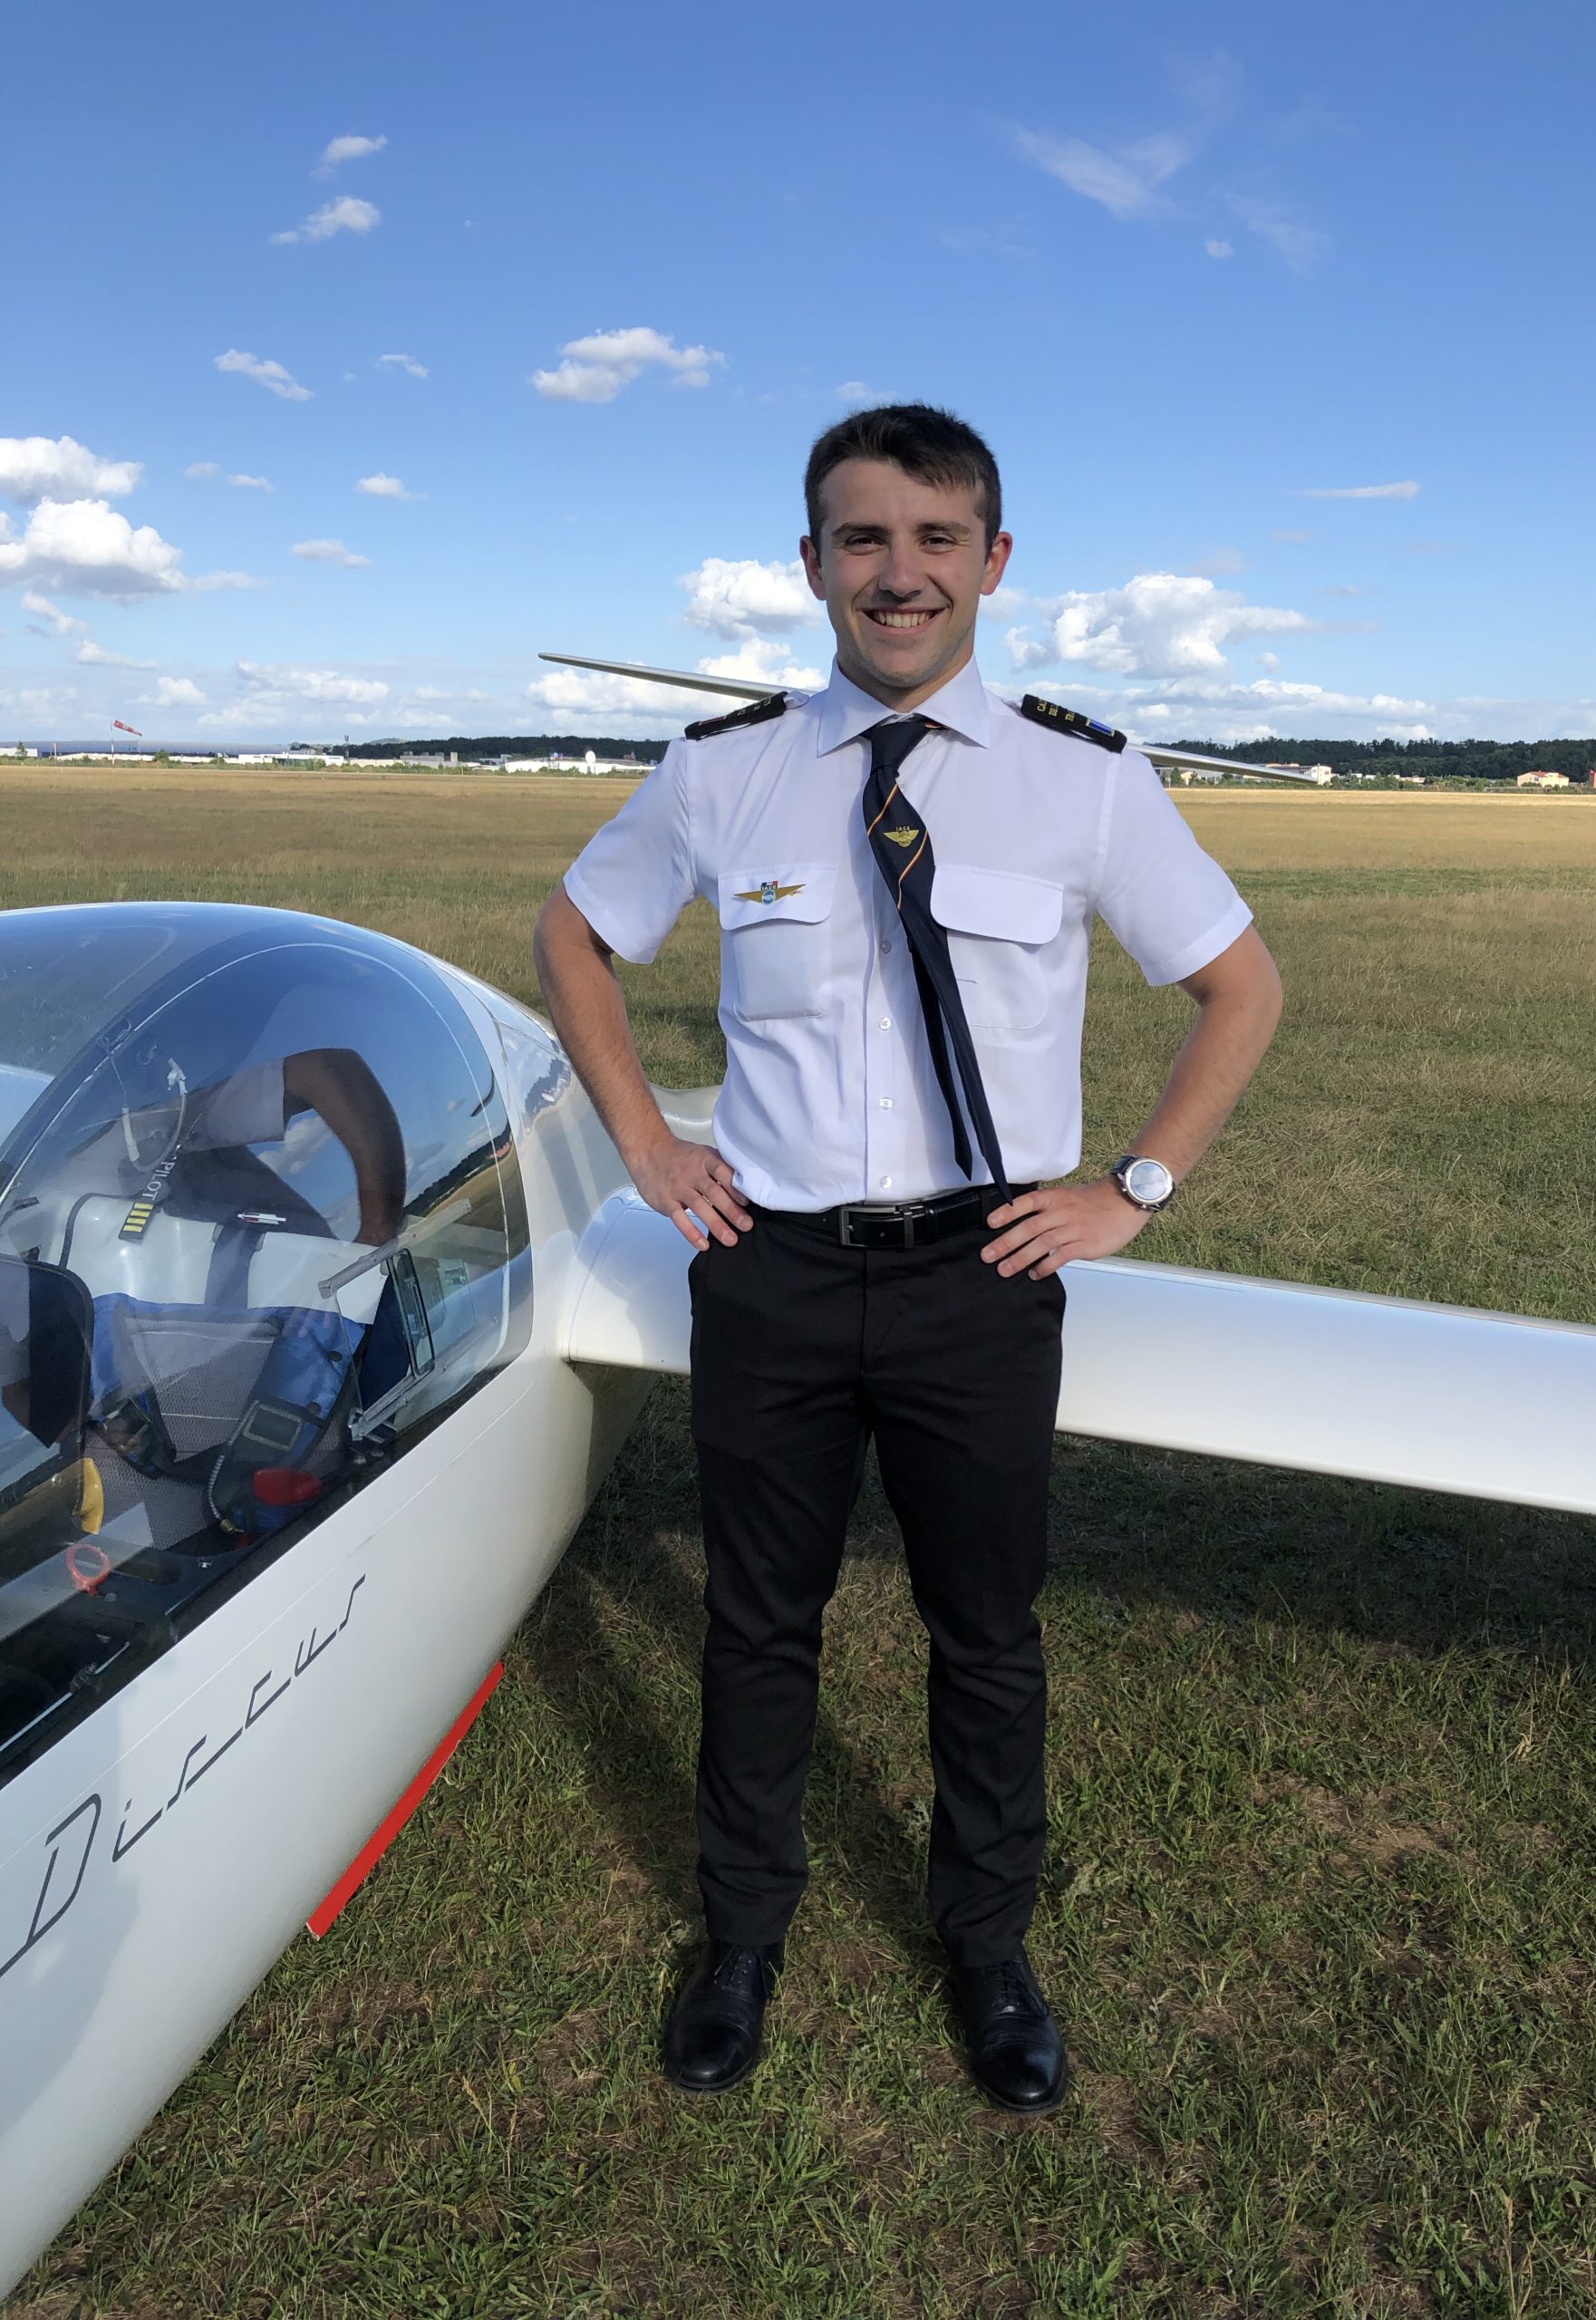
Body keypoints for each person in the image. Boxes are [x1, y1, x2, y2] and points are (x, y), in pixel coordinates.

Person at [535, 403, 1282, 2112]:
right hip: (776, 1267)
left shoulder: (1079, 777)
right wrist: (650, 1143)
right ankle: (740, 1938)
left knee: (986, 1626)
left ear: (994, 565)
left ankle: (990, 1945)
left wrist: (1135, 1186)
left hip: (982, 1279)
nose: (900, 573)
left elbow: (1240, 986)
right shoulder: (724, 772)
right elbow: (573, 933)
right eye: (863, 539)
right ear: (811, 565)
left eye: (937, 539)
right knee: (756, 1620)